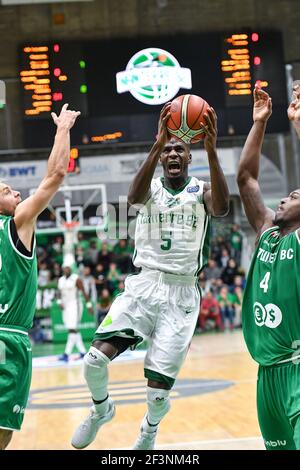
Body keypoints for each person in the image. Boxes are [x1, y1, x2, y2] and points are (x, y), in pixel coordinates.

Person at [71, 101, 229, 450]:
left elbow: (220, 207)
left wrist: (212, 151)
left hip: (182, 293)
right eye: (168, 149)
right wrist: (157, 142)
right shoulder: (151, 188)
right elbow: (132, 197)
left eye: (180, 149)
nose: (173, 153)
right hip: (144, 284)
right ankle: (101, 411)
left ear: (189, 157)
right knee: (94, 359)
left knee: (158, 394)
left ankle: (148, 431)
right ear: (161, 157)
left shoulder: (200, 190)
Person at [0, 104, 80, 450]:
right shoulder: (16, 223)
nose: (17, 194)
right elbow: (56, 175)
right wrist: (63, 129)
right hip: (8, 340)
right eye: (7, 191)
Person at [237, 85, 300, 450]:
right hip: (267, 376)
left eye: (293, 196)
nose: (283, 198)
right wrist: (260, 122)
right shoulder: (267, 233)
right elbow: (246, 179)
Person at [57, 264, 93, 362]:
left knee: (72, 329)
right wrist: (59, 302)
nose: (66, 269)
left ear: (71, 269)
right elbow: (58, 292)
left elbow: (84, 292)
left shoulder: (76, 279)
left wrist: (89, 306)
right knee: (72, 329)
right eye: (65, 268)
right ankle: (82, 352)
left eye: (68, 267)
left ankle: (66, 354)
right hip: (66, 306)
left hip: (75, 305)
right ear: (63, 269)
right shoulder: (61, 280)